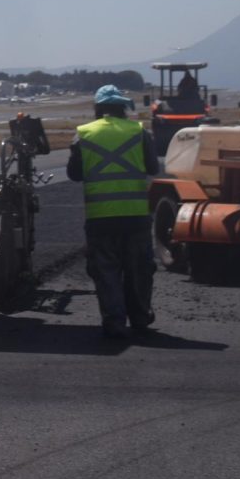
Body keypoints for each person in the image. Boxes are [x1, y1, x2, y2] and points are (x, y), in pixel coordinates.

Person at [68, 83, 162, 339]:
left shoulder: (83, 134)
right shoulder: (139, 132)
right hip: (135, 215)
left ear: (98, 109)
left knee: (106, 271)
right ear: (123, 107)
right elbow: (153, 167)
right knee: (139, 269)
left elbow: (74, 174)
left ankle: (115, 322)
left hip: (100, 217)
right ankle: (141, 318)